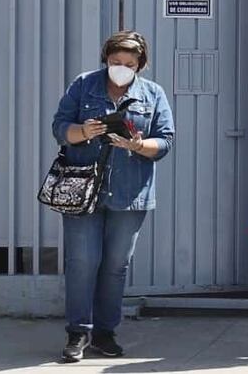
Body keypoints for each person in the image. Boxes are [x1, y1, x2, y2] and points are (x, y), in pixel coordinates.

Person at [51, 31, 175, 363]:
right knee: (82, 262)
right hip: (83, 189)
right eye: (114, 62)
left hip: (130, 191)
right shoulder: (84, 85)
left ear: (140, 65)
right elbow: (59, 126)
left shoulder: (152, 94)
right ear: (105, 59)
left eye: (128, 64)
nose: (120, 68)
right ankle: (78, 331)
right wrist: (82, 132)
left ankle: (105, 333)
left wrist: (136, 145)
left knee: (116, 265)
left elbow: (164, 142)